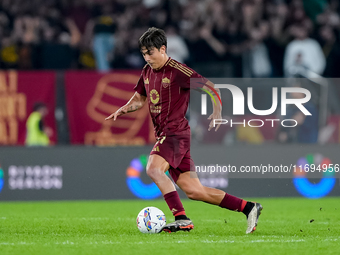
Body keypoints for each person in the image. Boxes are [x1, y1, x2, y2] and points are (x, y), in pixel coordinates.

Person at [106, 27, 262, 234]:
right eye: (143, 53)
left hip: (175, 133)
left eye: (150, 52)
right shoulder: (146, 71)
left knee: (153, 169)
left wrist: (217, 111)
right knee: (194, 191)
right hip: (167, 135)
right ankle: (249, 207)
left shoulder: (178, 71)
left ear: (163, 49)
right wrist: (124, 109)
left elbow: (210, 87)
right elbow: (140, 99)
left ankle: (181, 218)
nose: (147, 57)